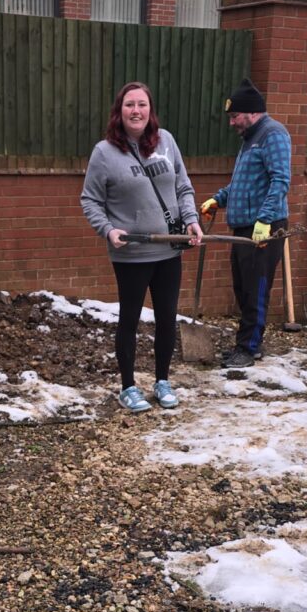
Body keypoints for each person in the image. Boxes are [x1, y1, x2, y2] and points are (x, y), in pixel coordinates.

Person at [81, 82, 203, 412]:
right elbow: (90, 200)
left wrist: (191, 219)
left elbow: (183, 186)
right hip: (132, 253)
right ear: (119, 112)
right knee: (130, 320)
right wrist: (107, 230)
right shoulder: (104, 153)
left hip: (169, 248)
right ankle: (128, 386)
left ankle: (162, 380)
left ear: (150, 110)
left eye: (142, 105)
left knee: (166, 318)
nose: (136, 111)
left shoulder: (167, 142)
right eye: (129, 105)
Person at [200, 78, 291, 369]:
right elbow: (242, 183)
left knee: (256, 289)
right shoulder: (250, 139)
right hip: (245, 228)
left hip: (263, 228)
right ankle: (247, 343)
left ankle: (249, 349)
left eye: (234, 116)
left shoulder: (273, 135)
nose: (232, 123)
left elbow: (280, 181)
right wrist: (218, 199)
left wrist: (264, 221)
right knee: (243, 288)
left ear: (252, 112)